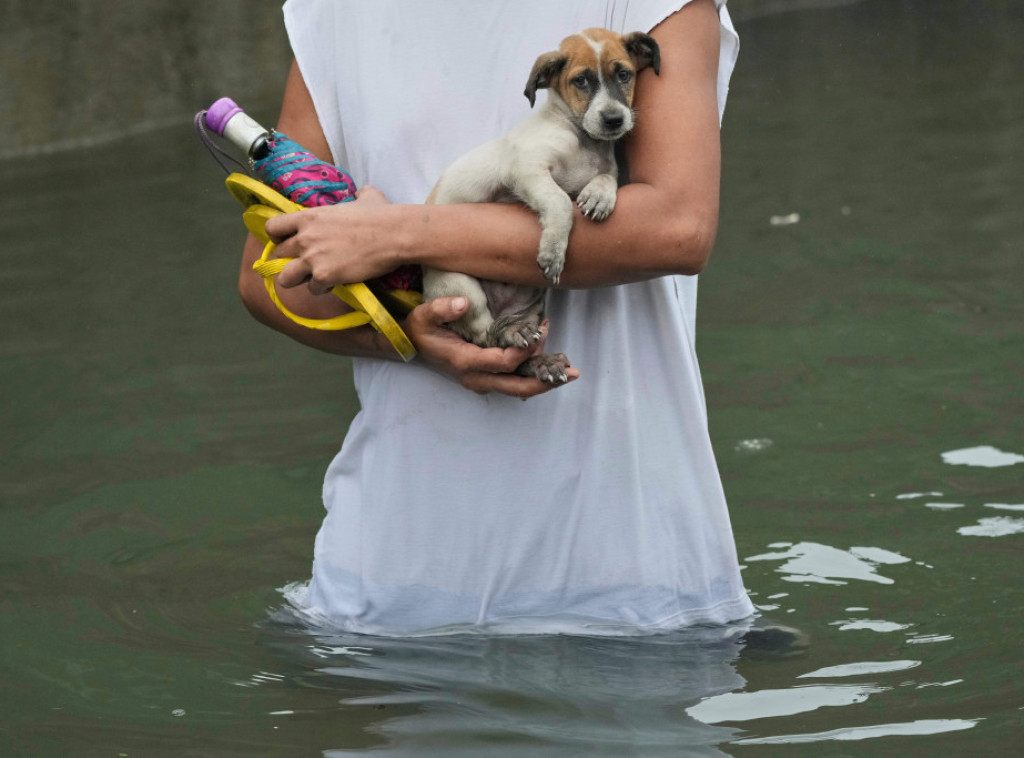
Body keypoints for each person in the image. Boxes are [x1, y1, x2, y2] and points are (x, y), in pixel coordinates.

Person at [239, 0, 754, 636]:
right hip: (391, 588)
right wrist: (407, 339)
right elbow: (269, 277)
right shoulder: (333, 13)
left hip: (627, 574)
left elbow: (677, 228)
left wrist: (404, 232)